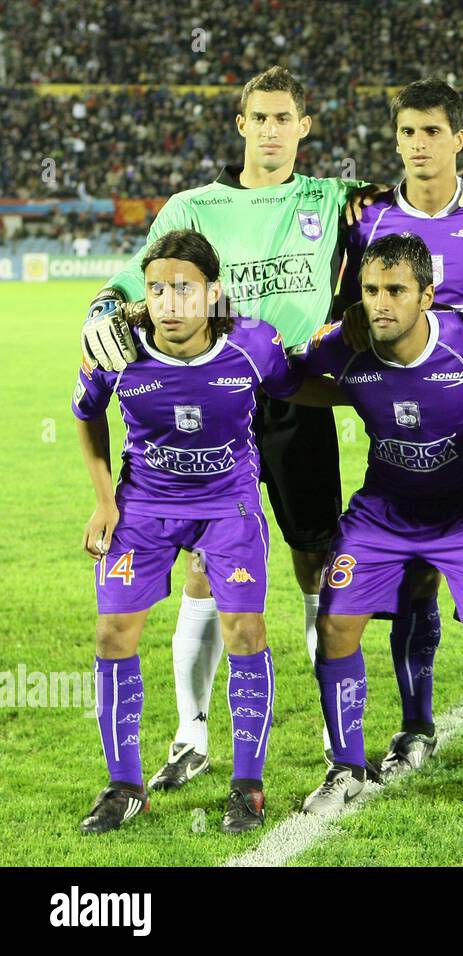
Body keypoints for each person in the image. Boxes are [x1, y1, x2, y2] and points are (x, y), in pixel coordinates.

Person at [77, 65, 463, 792]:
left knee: (315, 557)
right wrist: (103, 311)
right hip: (208, 386)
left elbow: (420, 175)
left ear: (303, 126)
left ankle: (333, 734)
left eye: (285, 117)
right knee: (200, 567)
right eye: (259, 117)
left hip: (293, 390)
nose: (272, 129)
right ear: (242, 124)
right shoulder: (194, 204)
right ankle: (191, 734)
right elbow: (133, 281)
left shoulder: (334, 199)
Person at [73, 229, 318, 834]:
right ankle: (124, 786)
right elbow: (86, 416)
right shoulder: (118, 350)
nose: (169, 303)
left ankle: (247, 785)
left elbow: (293, 386)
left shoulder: (252, 344)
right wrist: (104, 502)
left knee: (244, 628)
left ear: (212, 294)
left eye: (184, 289)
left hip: (227, 505)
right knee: (112, 634)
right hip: (145, 505)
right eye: (156, 290)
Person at [338, 79, 463, 782]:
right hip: (403, 423)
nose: (418, 145)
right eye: (407, 133)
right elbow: (349, 317)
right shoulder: (367, 220)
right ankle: (415, 725)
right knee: (411, 576)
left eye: (431, 132)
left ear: (459, 140)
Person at [293, 233, 463, 823]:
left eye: (396, 290)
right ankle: (345, 769)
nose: (381, 303)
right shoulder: (344, 346)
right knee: (336, 626)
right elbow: (282, 375)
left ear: (428, 296)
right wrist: (342, 391)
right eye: (371, 290)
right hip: (382, 515)